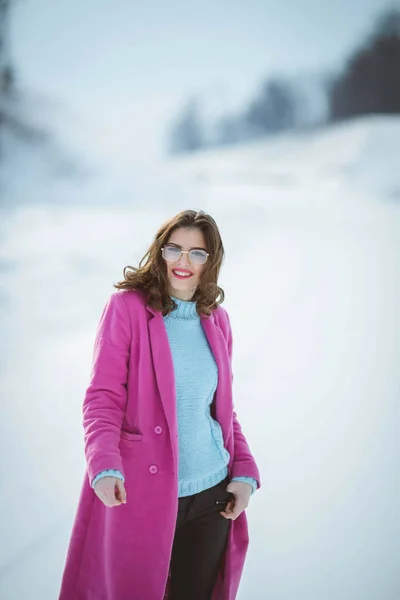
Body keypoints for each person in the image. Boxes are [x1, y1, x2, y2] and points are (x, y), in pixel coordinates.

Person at [58, 209, 261, 600]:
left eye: (197, 253)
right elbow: (103, 396)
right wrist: (103, 463)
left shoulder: (217, 320)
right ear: (160, 252)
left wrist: (244, 472)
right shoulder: (127, 308)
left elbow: (222, 411)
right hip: (143, 494)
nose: (184, 262)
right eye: (175, 249)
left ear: (211, 260)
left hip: (213, 497)